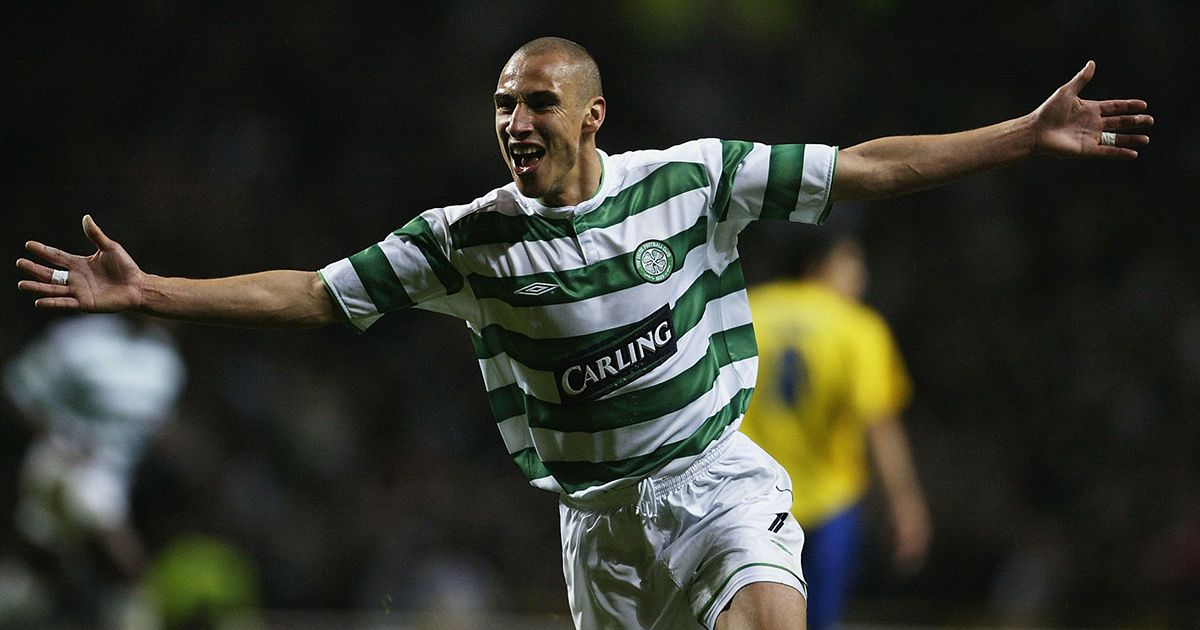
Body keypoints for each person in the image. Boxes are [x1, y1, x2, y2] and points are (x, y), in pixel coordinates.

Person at [15, 36, 1151, 629]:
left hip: (715, 480)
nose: (515, 120)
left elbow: (861, 168)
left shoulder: (692, 181)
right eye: (504, 103)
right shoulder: (465, 239)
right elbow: (318, 294)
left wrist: (1019, 135)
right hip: (597, 529)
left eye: (537, 102)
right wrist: (156, 290)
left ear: (591, 114)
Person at [739, 231, 930, 629]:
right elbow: (878, 423)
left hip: (748, 500)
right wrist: (904, 502)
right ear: (818, 265)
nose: (860, 277)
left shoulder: (746, 311)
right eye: (851, 263)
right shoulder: (858, 328)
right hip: (830, 503)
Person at [1, 314, 186, 626]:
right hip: (63, 459)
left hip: (117, 475)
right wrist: (57, 436)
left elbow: (153, 424)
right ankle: (149, 603)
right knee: (112, 540)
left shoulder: (167, 360)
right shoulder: (80, 338)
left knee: (41, 557)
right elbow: (20, 385)